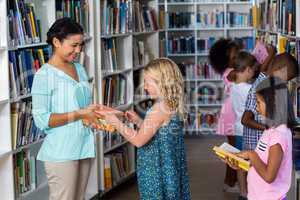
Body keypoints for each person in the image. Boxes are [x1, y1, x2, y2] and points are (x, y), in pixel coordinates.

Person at [98, 58, 191, 200]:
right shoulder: (171, 104)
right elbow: (160, 133)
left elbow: (139, 141)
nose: (145, 87)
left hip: (155, 171)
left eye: (148, 82)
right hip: (169, 169)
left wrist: (115, 122)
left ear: (162, 83)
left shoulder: (157, 110)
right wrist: (140, 122)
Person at [31, 18, 102, 200]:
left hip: (84, 146)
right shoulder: (43, 76)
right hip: (61, 152)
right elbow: (41, 120)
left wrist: (94, 118)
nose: (78, 50)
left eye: (81, 45)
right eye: (74, 45)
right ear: (56, 42)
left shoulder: (79, 68)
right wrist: (79, 114)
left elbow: (84, 107)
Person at [227, 77, 295, 200]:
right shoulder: (271, 129)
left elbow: (269, 176)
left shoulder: (278, 135)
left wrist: (252, 155)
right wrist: (242, 163)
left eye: (258, 102)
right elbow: (262, 162)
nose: (257, 109)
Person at [241, 53, 298, 151]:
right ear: (279, 70)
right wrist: (270, 129)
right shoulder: (261, 87)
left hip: (263, 144)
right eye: (285, 79)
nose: (284, 83)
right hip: (254, 146)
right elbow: (245, 120)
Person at [209, 38, 240, 192]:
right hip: (232, 116)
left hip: (232, 113)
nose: (238, 59)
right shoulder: (230, 73)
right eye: (234, 58)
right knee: (234, 150)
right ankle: (230, 182)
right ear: (225, 60)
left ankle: (230, 181)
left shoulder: (231, 71)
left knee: (234, 149)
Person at [231, 51, 259, 199]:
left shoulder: (234, 86)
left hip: (238, 129)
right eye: (253, 71)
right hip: (248, 130)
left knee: (240, 162)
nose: (254, 74)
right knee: (251, 162)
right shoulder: (248, 89)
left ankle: (243, 192)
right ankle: (252, 190)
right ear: (248, 69)